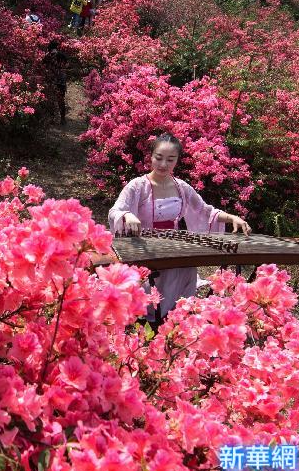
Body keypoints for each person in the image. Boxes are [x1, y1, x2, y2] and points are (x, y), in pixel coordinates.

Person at [107, 132, 251, 328]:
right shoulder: (138, 186)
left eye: (170, 159)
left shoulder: (181, 187)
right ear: (150, 156)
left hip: (174, 246)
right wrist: (127, 215)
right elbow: (116, 210)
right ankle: (150, 318)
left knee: (185, 267)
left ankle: (175, 319)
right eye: (159, 158)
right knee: (152, 284)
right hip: (146, 249)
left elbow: (204, 210)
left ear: (177, 161)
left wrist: (233, 217)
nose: (163, 164)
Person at [42, 40, 68, 123]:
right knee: (61, 99)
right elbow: (67, 65)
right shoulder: (62, 55)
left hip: (52, 80)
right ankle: (63, 119)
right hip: (61, 80)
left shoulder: (47, 56)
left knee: (52, 99)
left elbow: (43, 66)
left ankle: (52, 119)